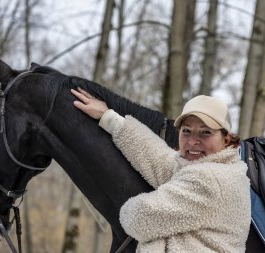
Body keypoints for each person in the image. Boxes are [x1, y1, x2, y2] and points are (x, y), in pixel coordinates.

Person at [71, 87, 251, 253]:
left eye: (205, 132)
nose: (192, 141)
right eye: (186, 131)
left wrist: (130, 203)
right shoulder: (223, 167)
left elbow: (138, 219)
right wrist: (109, 118)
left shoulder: (209, 180)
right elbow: (159, 158)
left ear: (226, 139)